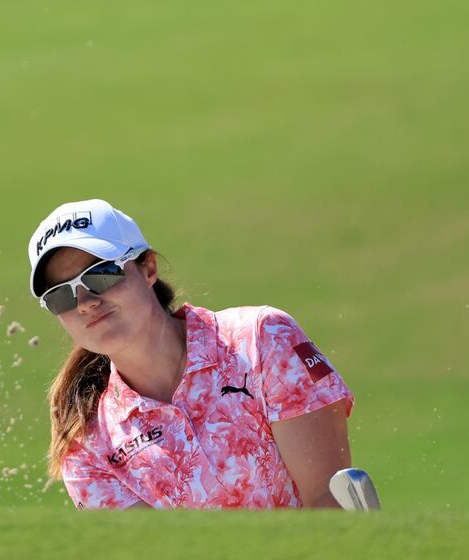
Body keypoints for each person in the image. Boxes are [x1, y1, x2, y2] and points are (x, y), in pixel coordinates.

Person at [28, 199, 355, 509]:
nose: (85, 302)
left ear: (148, 268)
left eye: (100, 274)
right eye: (61, 297)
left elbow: (328, 499)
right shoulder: (86, 444)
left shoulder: (262, 339)